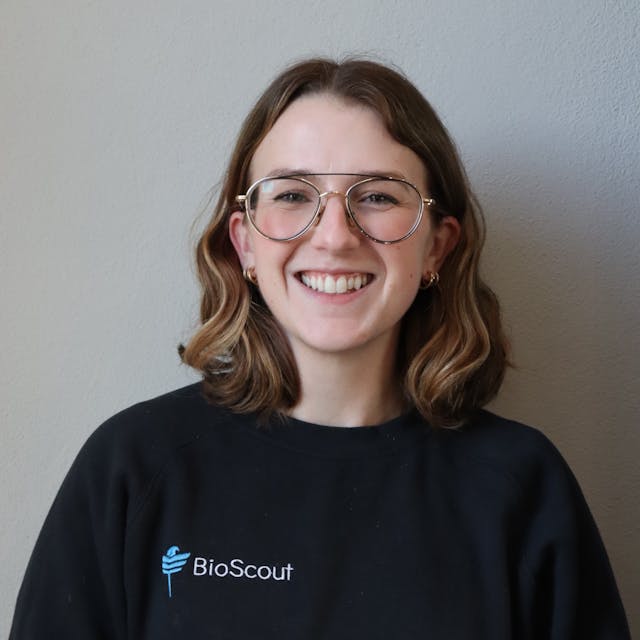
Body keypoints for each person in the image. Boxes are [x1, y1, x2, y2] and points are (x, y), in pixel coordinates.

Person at [10, 58, 630, 639]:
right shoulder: (133, 468)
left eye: (378, 196)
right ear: (245, 244)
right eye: (291, 195)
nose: (334, 237)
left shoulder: (522, 487)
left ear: (437, 247)